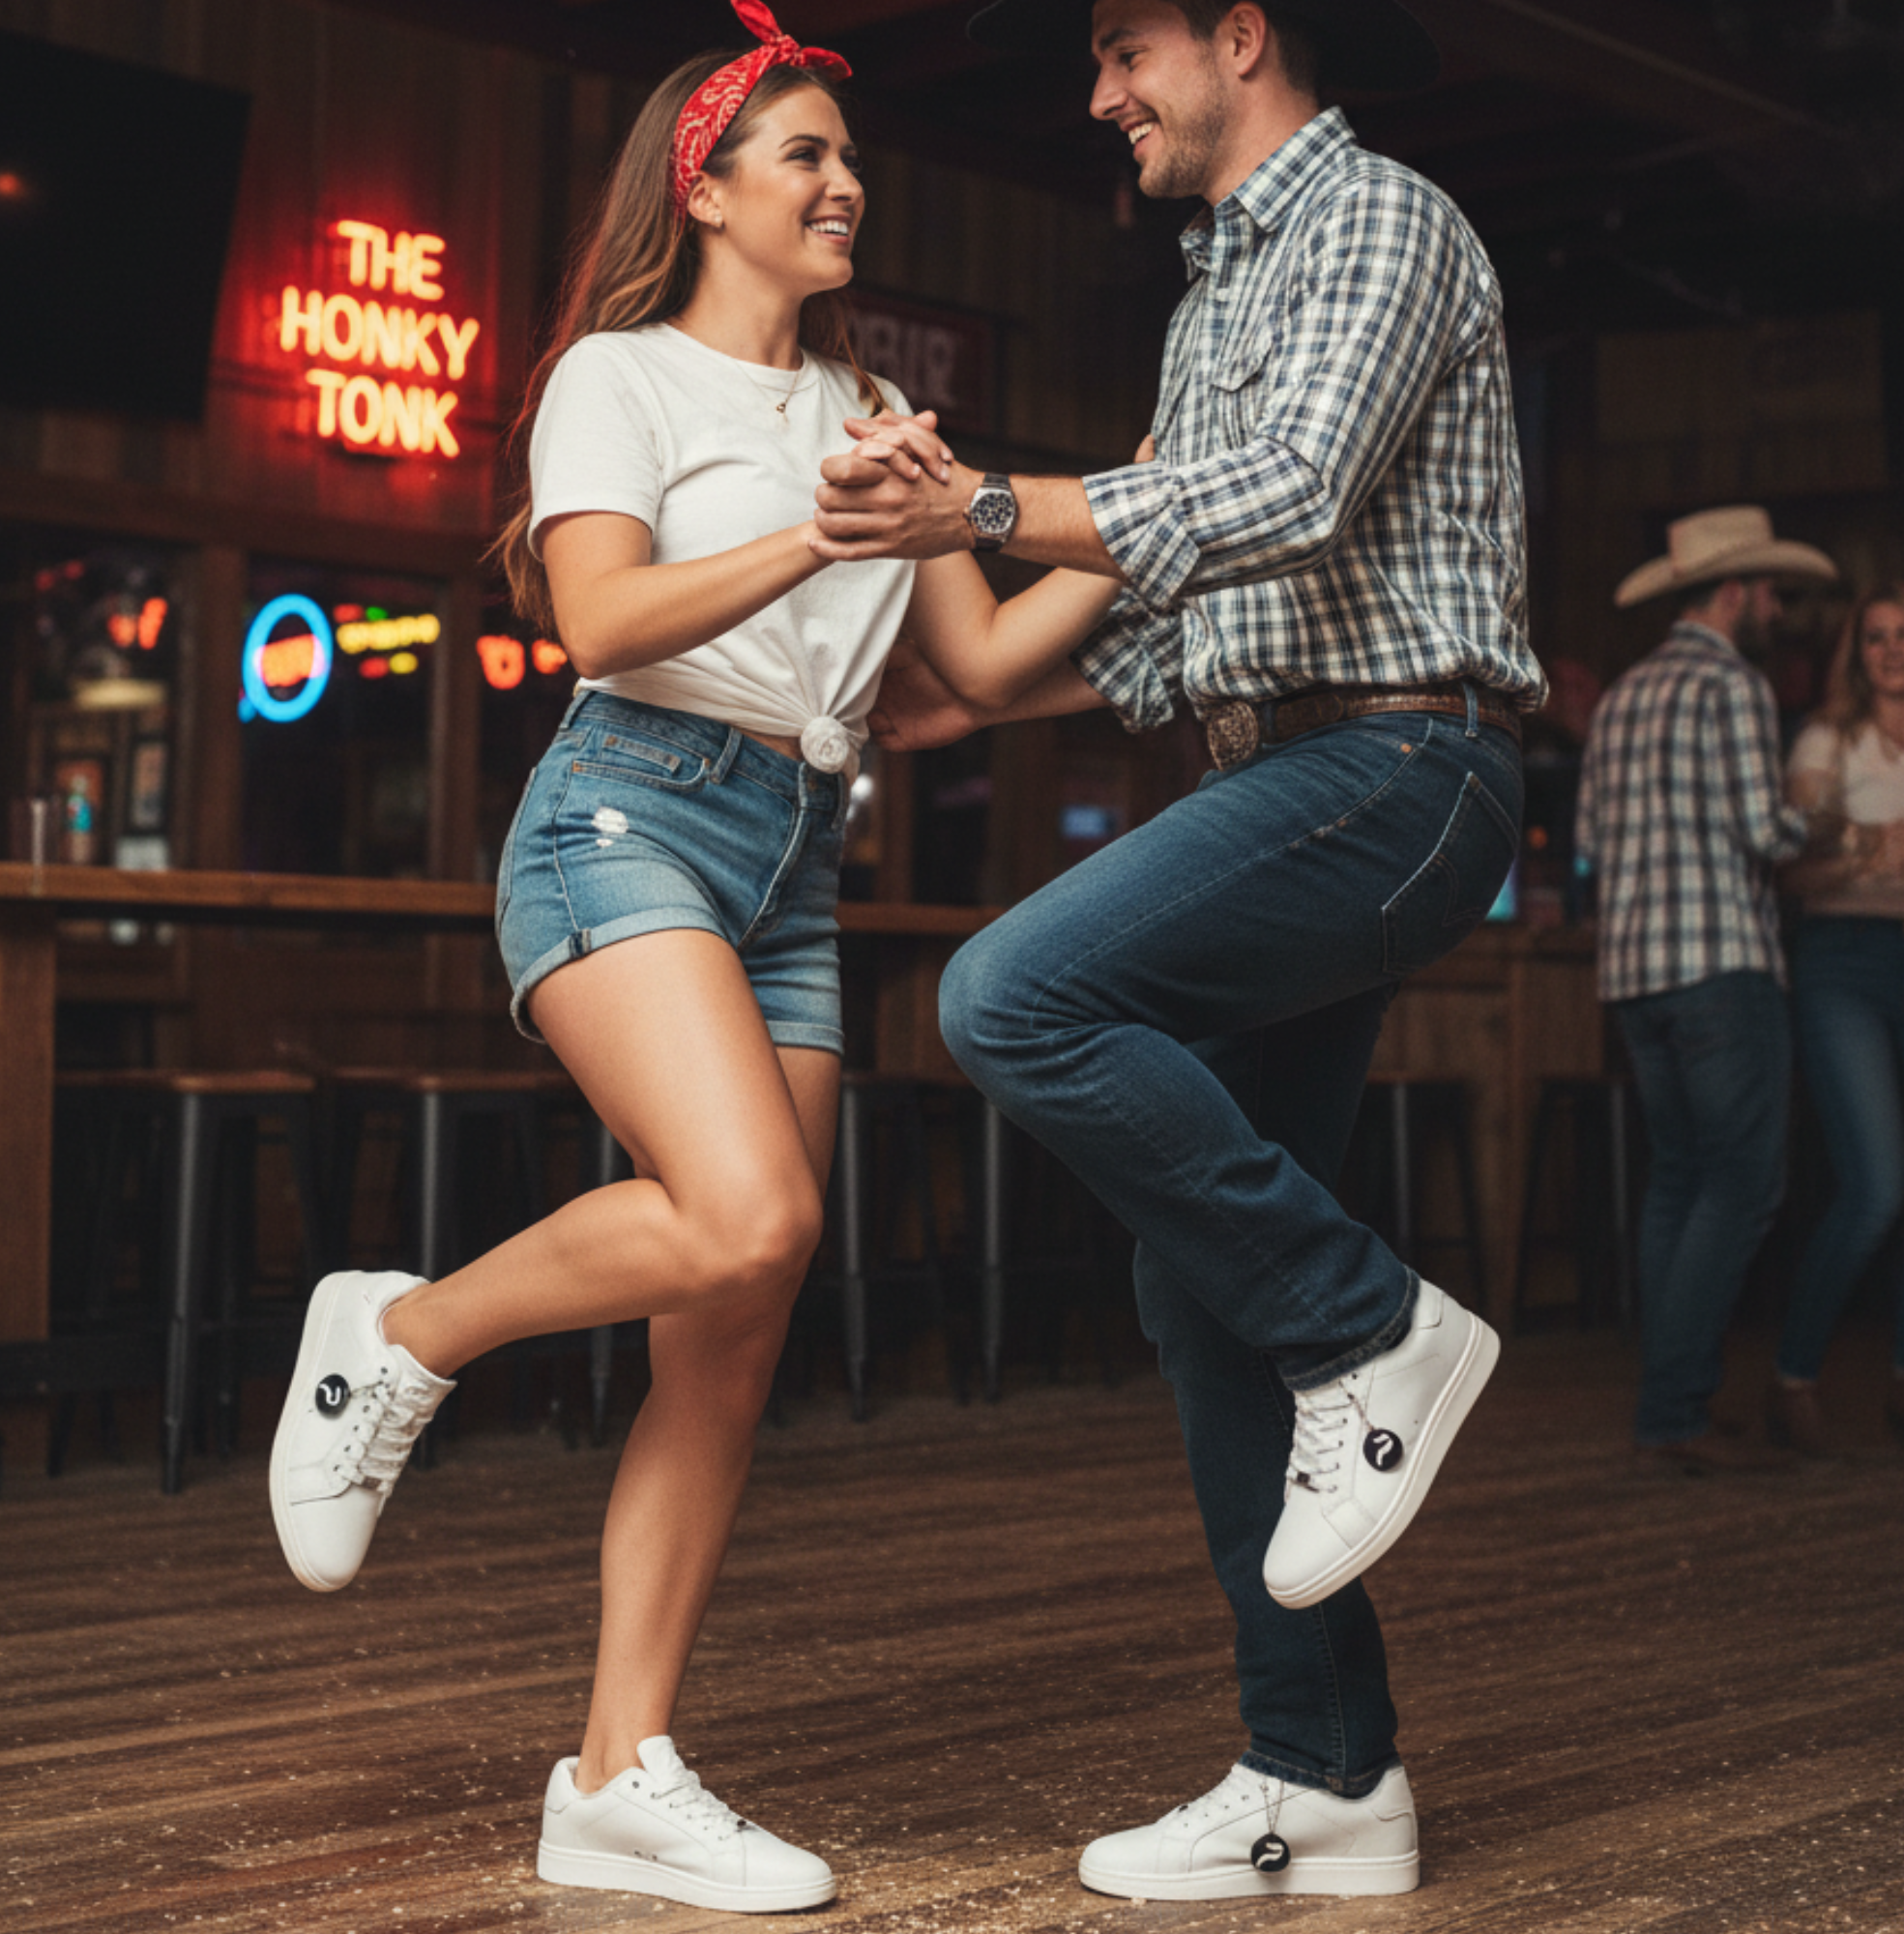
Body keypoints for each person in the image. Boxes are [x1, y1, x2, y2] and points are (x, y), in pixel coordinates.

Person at [267, 2, 1123, 1914]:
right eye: (805, 153)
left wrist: (1137, 517)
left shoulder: (871, 424)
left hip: (797, 856)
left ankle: (615, 1772)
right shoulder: (615, 376)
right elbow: (598, 614)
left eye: (847, 155)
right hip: (627, 813)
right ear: (708, 184)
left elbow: (976, 674)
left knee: (729, 1343)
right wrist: (823, 539)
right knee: (746, 1214)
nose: (847, 182)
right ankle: (399, 1335)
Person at [810, 0, 1543, 1902]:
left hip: (1402, 762)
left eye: (1124, 48)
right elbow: (1155, 624)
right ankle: (1327, 1773)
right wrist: (936, 688)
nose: (1099, 96)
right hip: (1289, 763)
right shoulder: (1211, 299)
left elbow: (1286, 496)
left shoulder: (1375, 218)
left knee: (1012, 992)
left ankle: (1376, 1324)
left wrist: (979, 501)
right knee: (1192, 1284)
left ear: (1240, 32)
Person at [1574, 505, 1837, 1472]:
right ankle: (1670, 1412)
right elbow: (1759, 833)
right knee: (1740, 1186)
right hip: (1719, 963)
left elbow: (1591, 846)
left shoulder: (1620, 695)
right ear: (1733, 591)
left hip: (1632, 971)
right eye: (1767, 589)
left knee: (1679, 1183)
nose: (1774, 606)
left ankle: (1669, 1402)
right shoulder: (1731, 683)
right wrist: (1825, 823)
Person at [1771, 582, 1904, 1455]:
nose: (1892, 651)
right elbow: (1795, 869)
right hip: (1842, 963)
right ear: (1856, 651)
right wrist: (1872, 850)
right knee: (1876, 1185)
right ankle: (1793, 1375)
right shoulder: (1830, 741)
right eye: (1877, 638)